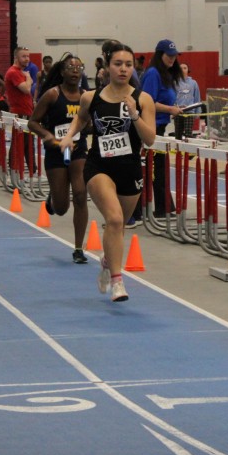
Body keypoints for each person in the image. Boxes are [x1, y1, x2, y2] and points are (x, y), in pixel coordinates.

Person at [58, 41, 156, 302]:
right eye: (118, 64)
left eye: (128, 65)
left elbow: (150, 139)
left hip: (129, 169)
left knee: (118, 226)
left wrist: (134, 115)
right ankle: (117, 281)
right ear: (107, 67)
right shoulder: (91, 97)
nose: (123, 69)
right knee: (113, 219)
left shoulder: (143, 99)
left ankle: (106, 262)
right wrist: (69, 136)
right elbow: (81, 117)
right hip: (99, 166)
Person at [28, 54, 90, 264]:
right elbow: (33, 122)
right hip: (56, 152)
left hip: (78, 150)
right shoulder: (52, 95)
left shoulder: (86, 97)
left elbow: (90, 124)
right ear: (62, 71)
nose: (75, 71)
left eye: (79, 67)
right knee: (62, 208)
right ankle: (53, 200)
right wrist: (48, 135)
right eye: (71, 67)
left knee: (80, 195)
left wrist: (88, 128)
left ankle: (79, 249)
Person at [141, 39, 182, 217]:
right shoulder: (153, 74)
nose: (172, 59)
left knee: (160, 168)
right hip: (150, 128)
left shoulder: (166, 74)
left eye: (174, 56)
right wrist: (170, 109)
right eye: (169, 55)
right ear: (160, 55)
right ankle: (154, 208)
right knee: (155, 169)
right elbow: (147, 102)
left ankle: (164, 206)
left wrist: (173, 109)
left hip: (160, 127)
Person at [176, 63, 201, 138]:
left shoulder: (193, 83)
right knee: (178, 134)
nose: (183, 70)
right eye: (181, 68)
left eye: (185, 68)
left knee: (188, 134)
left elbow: (197, 98)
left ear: (188, 70)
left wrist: (197, 112)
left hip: (190, 112)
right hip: (178, 111)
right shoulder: (175, 82)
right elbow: (172, 97)